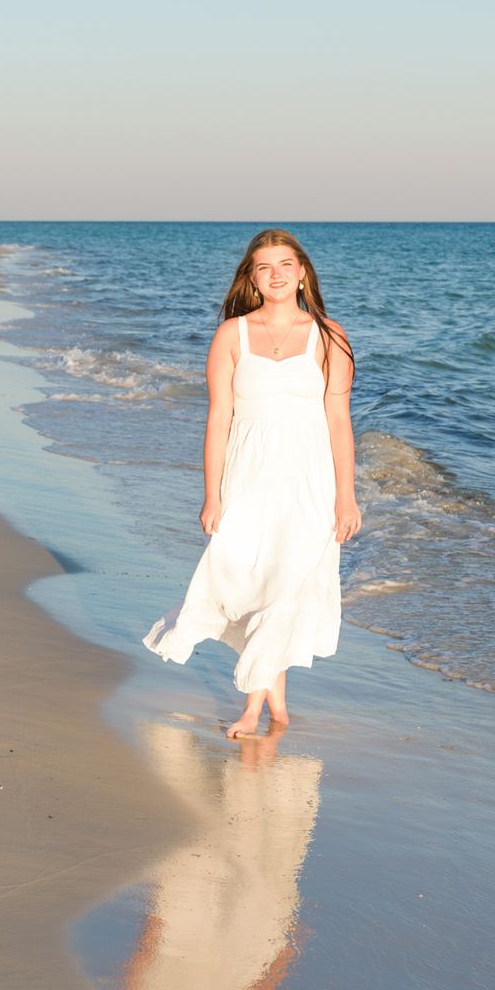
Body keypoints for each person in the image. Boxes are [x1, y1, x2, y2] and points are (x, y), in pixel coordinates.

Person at [142, 228, 361, 737]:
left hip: (309, 482)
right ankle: (277, 703)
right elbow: (219, 418)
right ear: (252, 278)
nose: (276, 274)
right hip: (248, 479)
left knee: (286, 587)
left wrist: (346, 497)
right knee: (250, 584)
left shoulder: (330, 335)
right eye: (265, 267)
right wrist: (212, 494)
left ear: (302, 273)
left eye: (285, 265)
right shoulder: (231, 335)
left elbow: (339, 421)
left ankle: (252, 707)